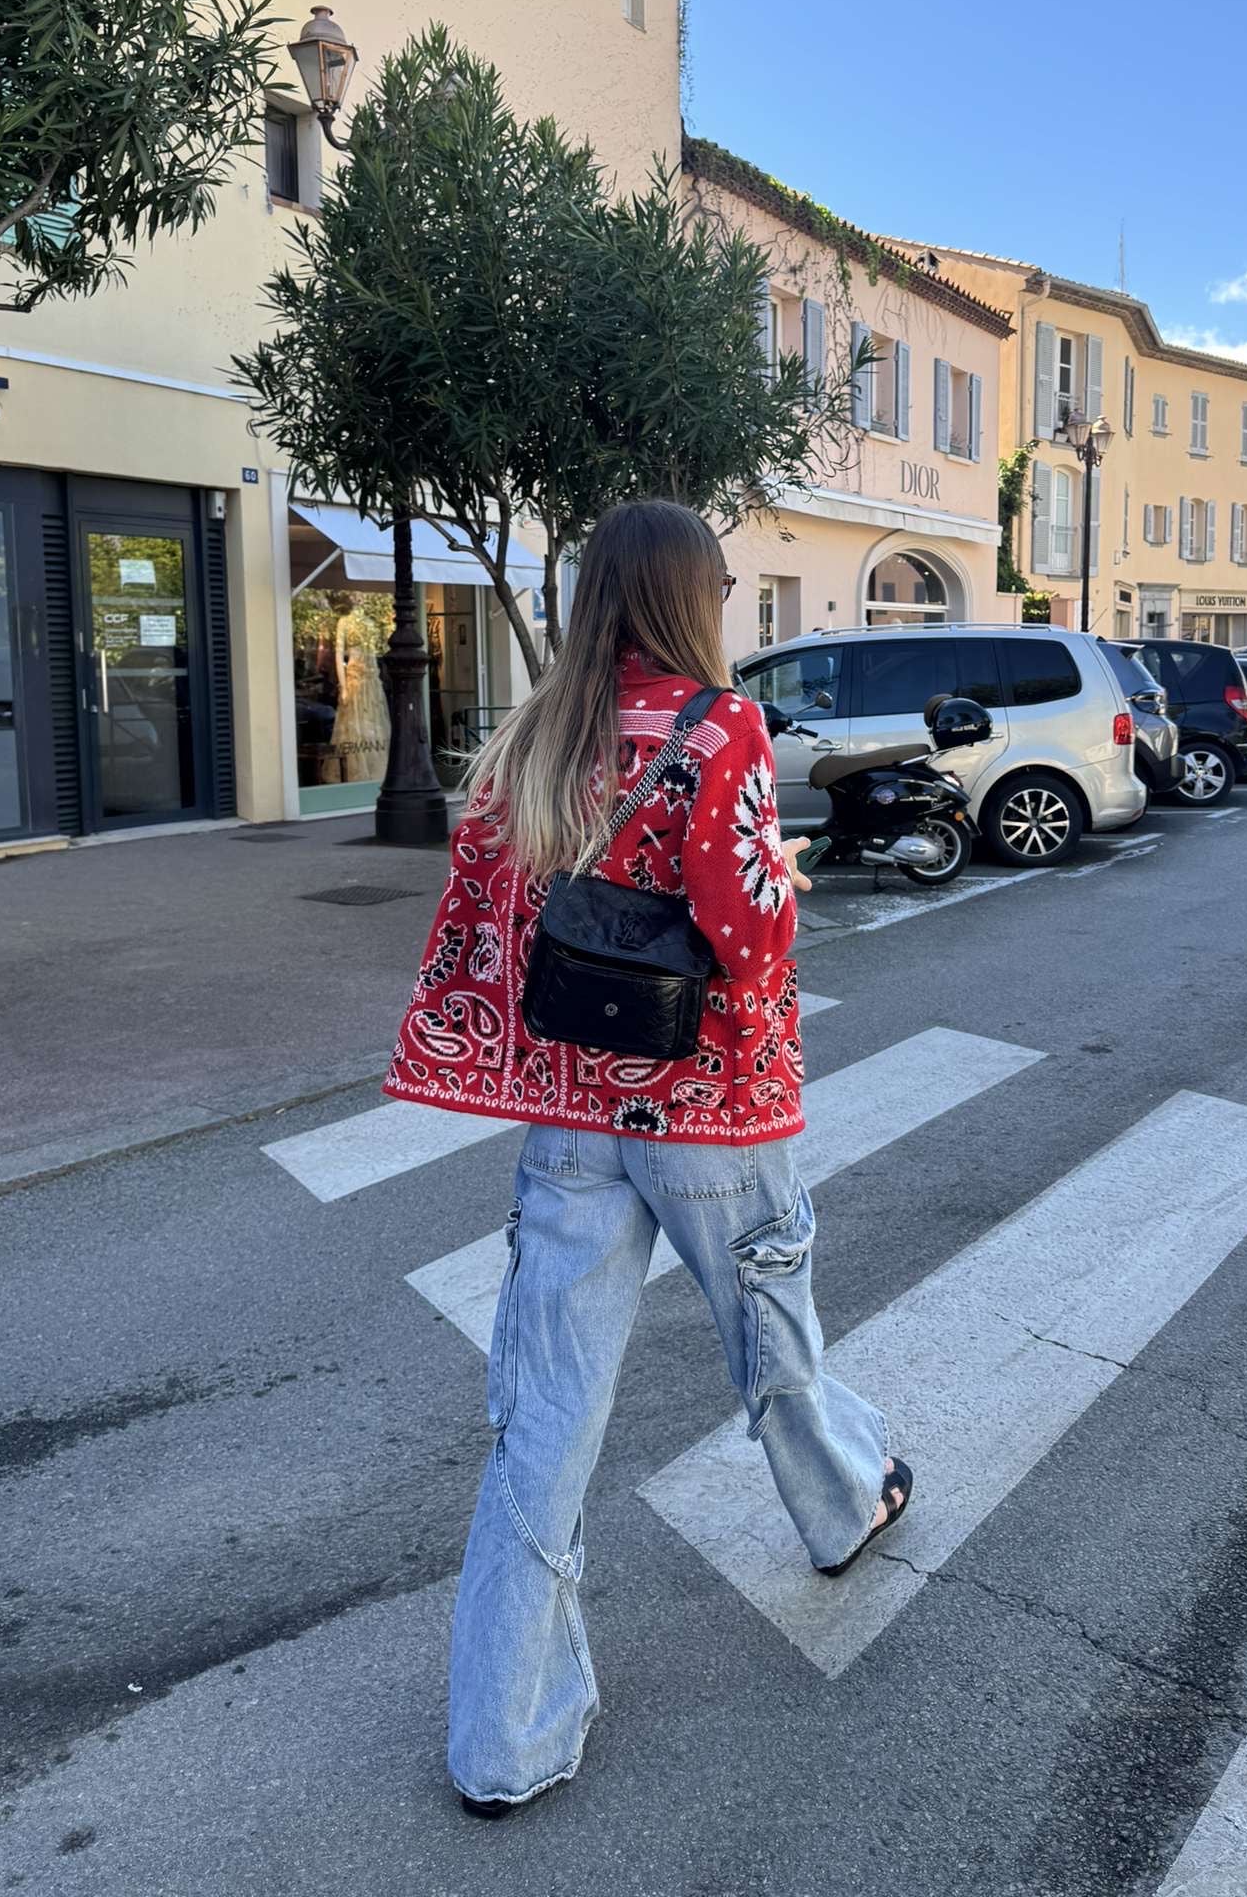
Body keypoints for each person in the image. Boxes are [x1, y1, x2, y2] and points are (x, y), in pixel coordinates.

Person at [385, 499, 912, 1818]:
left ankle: (503, 1740)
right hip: (710, 1108)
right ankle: (842, 1510)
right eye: (721, 587)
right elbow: (747, 936)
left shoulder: (533, 734)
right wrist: (780, 870)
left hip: (573, 1112)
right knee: (770, 1334)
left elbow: (499, 917)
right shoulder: (720, 728)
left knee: (544, 1415)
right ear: (689, 597)